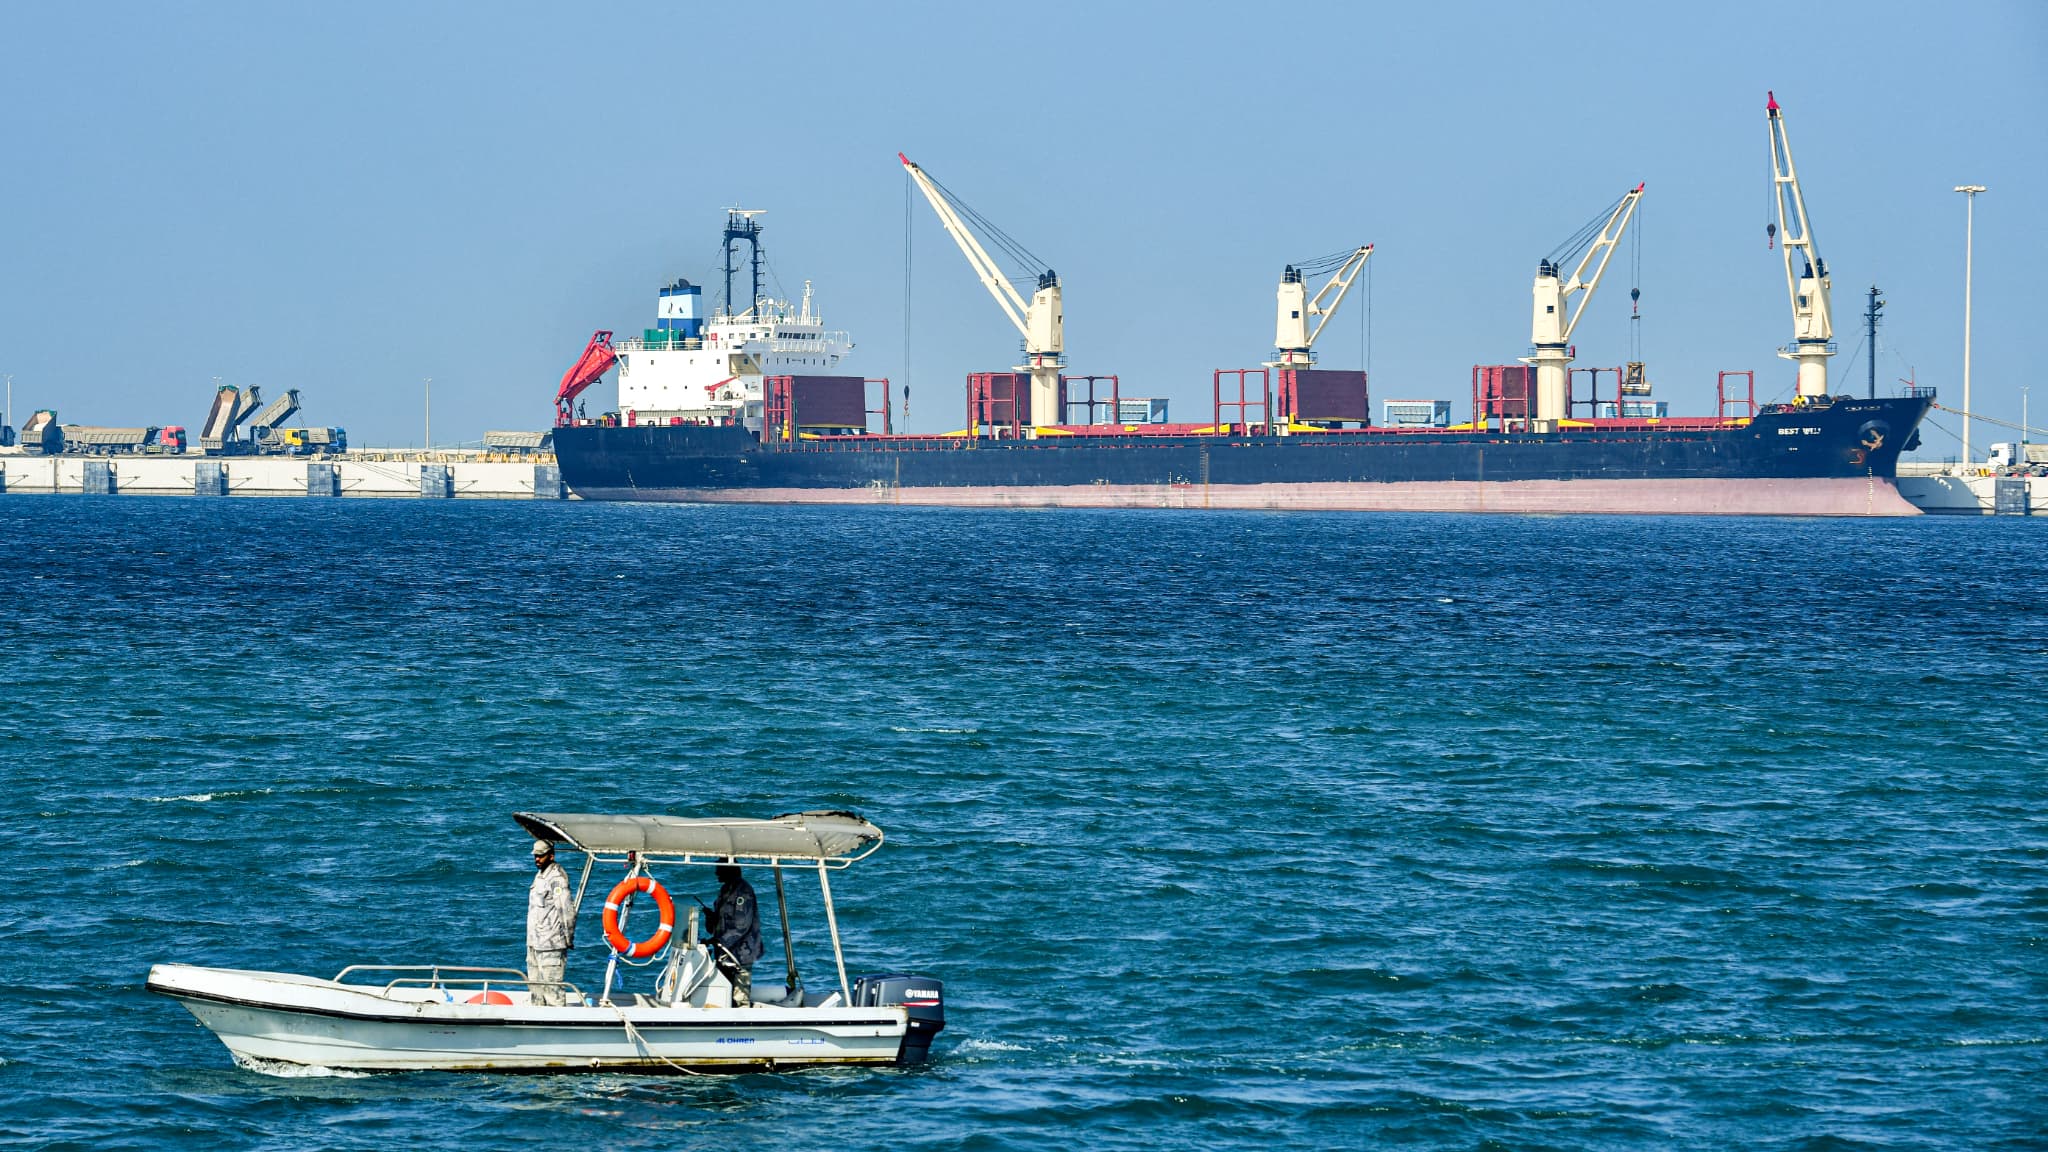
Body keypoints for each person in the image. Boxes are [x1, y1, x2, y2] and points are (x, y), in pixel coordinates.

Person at [706, 861, 762, 1006]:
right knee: (723, 997)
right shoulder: (725, 890)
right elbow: (716, 925)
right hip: (724, 954)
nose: (716, 873)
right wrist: (710, 917)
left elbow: (742, 925)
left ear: (729, 870)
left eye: (719, 869)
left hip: (740, 954)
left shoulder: (743, 891)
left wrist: (720, 941)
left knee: (740, 1000)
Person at [526, 839, 574, 1007]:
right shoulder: (539, 876)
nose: (537, 859)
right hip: (534, 943)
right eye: (535, 856)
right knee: (536, 990)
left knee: (553, 992)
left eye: (541, 856)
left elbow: (566, 911)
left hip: (551, 944)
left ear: (551, 856)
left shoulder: (557, 879)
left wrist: (568, 938)